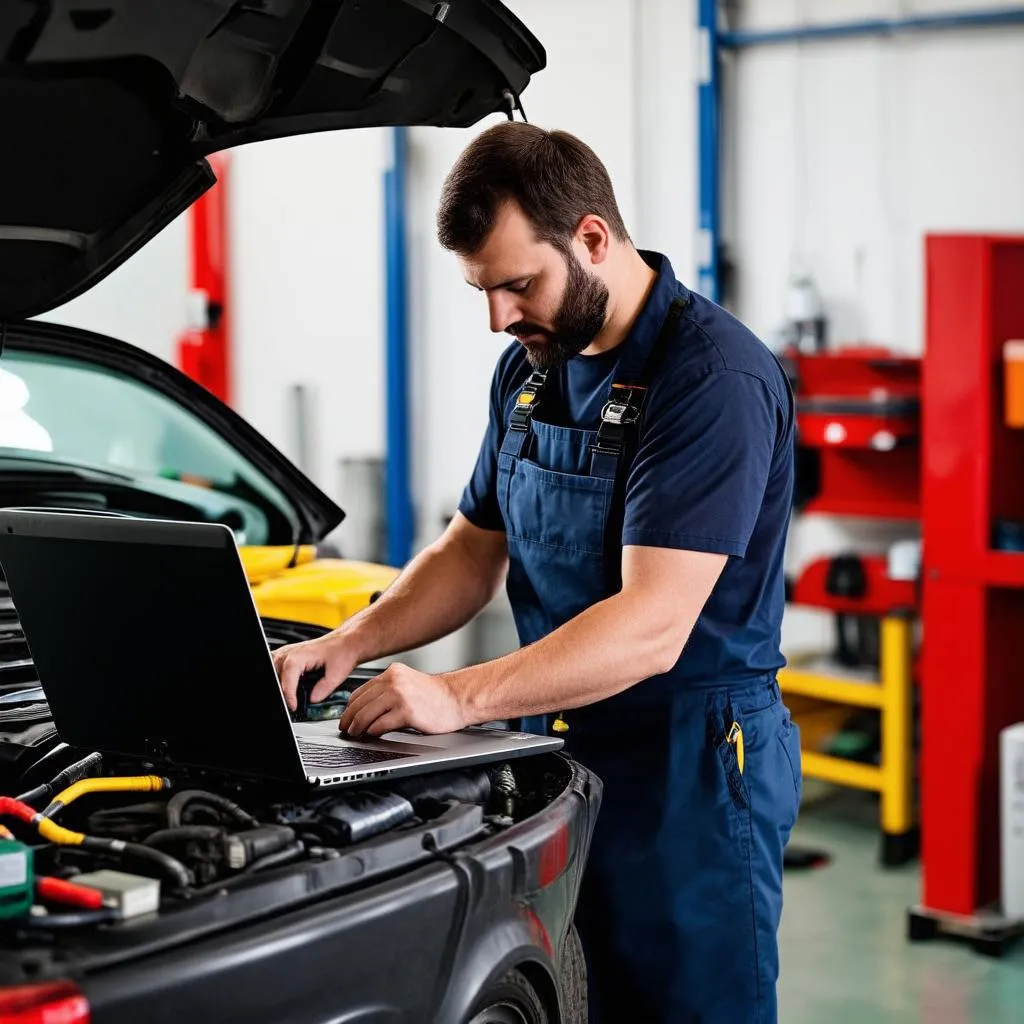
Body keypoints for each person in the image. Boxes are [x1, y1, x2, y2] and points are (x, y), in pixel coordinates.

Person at [273, 122, 801, 1023]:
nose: (500, 318)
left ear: (592, 238)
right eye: (484, 291)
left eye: (519, 284)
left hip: (690, 771)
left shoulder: (711, 378)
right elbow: (470, 551)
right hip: (553, 754)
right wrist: (349, 641)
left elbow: (652, 625)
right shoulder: (531, 368)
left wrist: (459, 698)